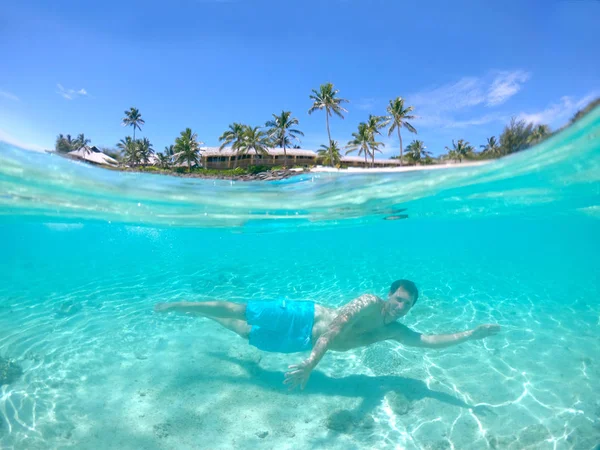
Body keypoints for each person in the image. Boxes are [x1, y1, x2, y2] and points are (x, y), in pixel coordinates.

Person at [154, 279, 500, 390]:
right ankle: (182, 303)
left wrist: (471, 334)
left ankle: (198, 313)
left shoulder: (393, 330)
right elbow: (334, 330)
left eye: (406, 306)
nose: (400, 308)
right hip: (303, 316)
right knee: (240, 310)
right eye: (398, 300)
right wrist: (310, 365)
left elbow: (427, 342)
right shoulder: (367, 303)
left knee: (244, 333)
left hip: (302, 341)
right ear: (389, 295)